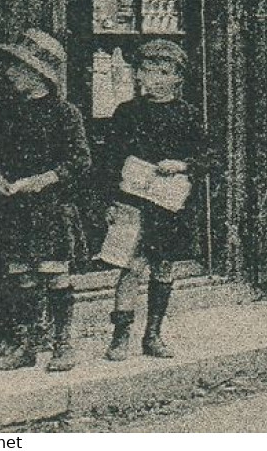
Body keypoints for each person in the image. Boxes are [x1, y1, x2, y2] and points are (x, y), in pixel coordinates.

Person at [97, 39, 217, 361]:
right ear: (138, 75)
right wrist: (109, 200)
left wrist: (183, 165)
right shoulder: (126, 113)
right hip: (131, 201)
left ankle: (153, 334)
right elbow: (109, 159)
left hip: (168, 203)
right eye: (148, 71)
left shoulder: (188, 115)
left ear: (178, 78)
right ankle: (120, 335)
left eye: (164, 72)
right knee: (131, 266)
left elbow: (207, 156)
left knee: (163, 267)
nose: (155, 78)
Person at [0, 28, 92, 372]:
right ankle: (27, 345)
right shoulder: (7, 113)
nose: (10, 73)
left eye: (18, 67)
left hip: (51, 207)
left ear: (39, 73)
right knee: (23, 275)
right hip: (17, 208)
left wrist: (40, 181)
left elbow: (80, 161)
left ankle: (62, 345)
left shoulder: (64, 113)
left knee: (54, 273)